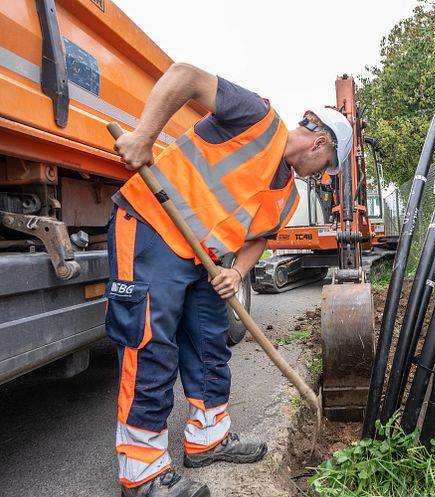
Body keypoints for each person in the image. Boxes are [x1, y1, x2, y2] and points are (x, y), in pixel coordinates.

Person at [107, 62, 352, 497]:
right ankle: (141, 471)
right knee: (151, 345)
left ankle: (208, 438)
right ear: (318, 143)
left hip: (206, 260)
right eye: (327, 166)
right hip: (153, 226)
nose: (321, 176)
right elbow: (184, 75)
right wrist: (144, 136)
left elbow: (258, 239)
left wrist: (236, 270)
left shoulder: (287, 193)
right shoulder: (256, 117)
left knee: (210, 345)